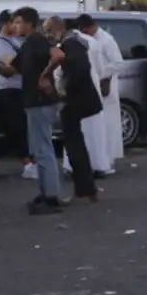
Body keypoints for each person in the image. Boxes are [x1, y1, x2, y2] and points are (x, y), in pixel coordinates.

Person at [8, 7, 65, 214]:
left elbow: (58, 55)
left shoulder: (39, 41)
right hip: (32, 102)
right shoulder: (26, 46)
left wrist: (44, 76)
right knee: (38, 150)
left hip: (42, 102)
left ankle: (52, 197)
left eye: (18, 22)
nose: (14, 26)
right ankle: (45, 192)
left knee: (43, 149)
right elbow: (9, 71)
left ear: (30, 24)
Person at [45, 16, 103, 203]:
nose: (47, 35)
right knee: (75, 144)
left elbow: (79, 69)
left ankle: (85, 189)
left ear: (57, 29)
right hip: (77, 100)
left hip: (74, 101)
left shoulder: (71, 44)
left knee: (74, 145)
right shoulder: (72, 42)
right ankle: (86, 189)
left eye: (48, 30)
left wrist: (64, 89)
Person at [0, 10, 35, 179]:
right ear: (6, 24)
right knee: (17, 127)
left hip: (22, 89)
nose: (17, 26)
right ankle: (27, 163)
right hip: (9, 90)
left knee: (26, 128)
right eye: (14, 22)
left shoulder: (18, 40)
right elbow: (9, 69)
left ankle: (32, 161)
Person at [77, 15, 125, 171]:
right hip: (93, 88)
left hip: (106, 87)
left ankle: (108, 161)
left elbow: (118, 63)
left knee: (108, 126)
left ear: (91, 27)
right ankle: (98, 161)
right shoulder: (89, 40)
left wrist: (101, 75)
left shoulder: (107, 40)